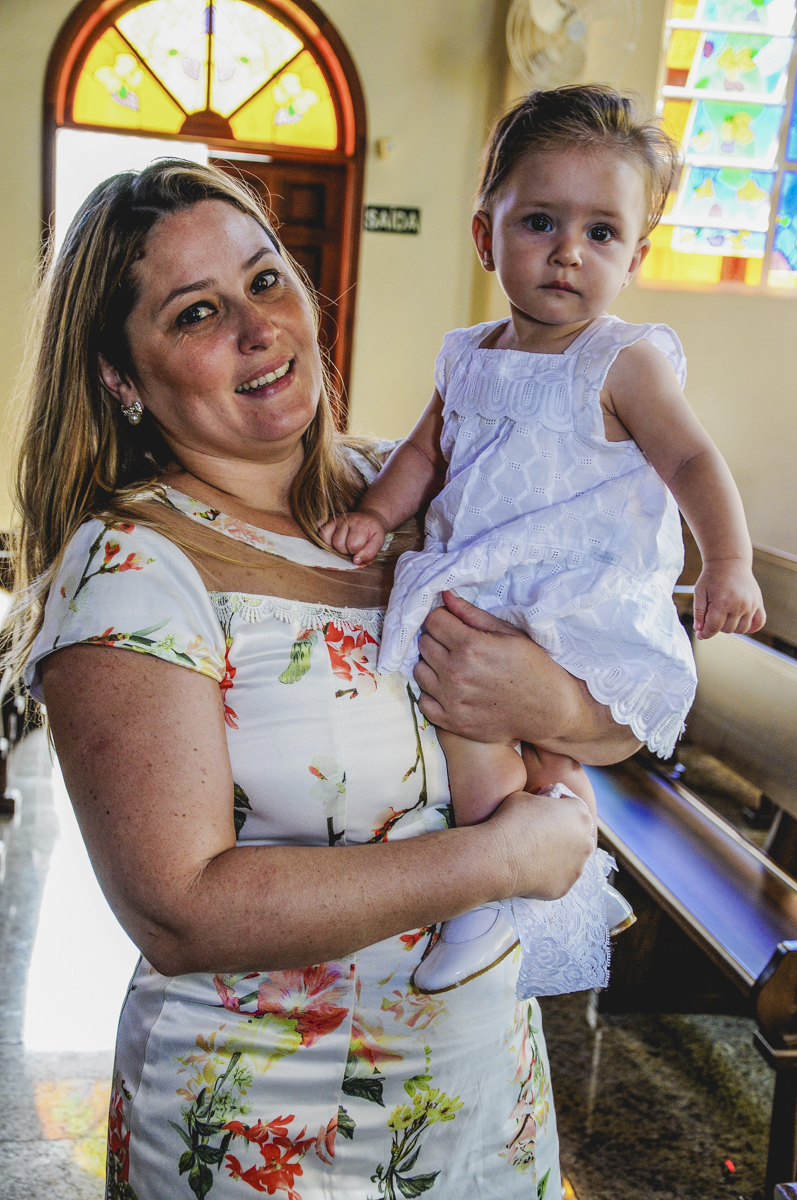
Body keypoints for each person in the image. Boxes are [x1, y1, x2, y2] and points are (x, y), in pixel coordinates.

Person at [4, 160, 641, 1200]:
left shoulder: (413, 492)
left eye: (265, 280)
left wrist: (551, 707)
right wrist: (498, 859)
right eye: (197, 312)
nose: (259, 330)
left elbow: (626, 708)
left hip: (484, 1099)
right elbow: (179, 906)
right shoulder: (132, 568)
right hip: (273, 1130)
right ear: (122, 376)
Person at [320, 86, 766, 995]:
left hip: (574, 590)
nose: (567, 251)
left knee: (485, 719)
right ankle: (547, 877)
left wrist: (727, 561)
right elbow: (423, 452)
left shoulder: (622, 359)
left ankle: (493, 892)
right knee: (503, 732)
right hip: (490, 579)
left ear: (634, 256)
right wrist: (375, 514)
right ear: (485, 236)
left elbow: (689, 459)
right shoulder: (465, 354)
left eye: (600, 233)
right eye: (538, 221)